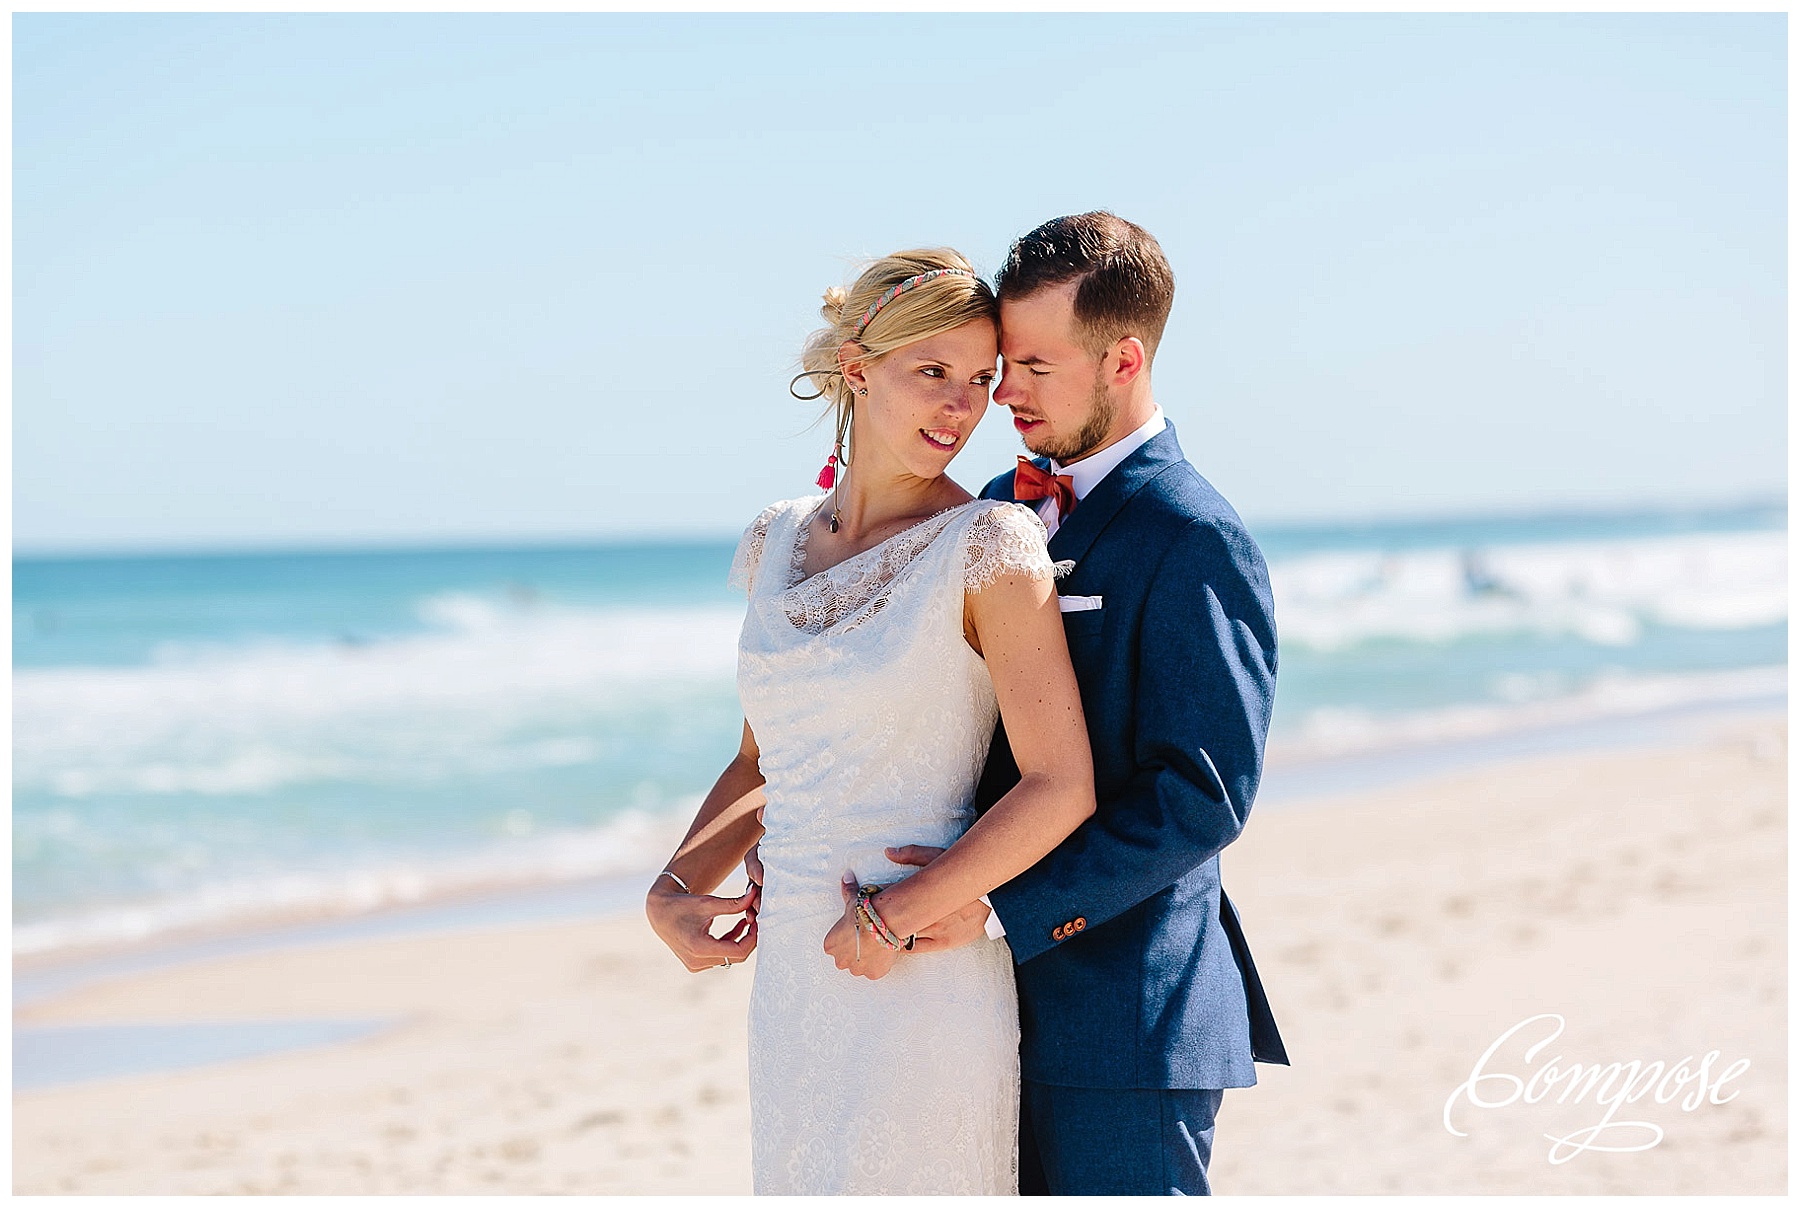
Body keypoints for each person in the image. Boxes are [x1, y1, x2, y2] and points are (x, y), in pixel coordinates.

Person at [644, 248, 1097, 1194]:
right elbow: (762, 756)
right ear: (857, 371)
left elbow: (1062, 783)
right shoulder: (778, 538)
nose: (960, 407)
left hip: (917, 965)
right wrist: (677, 884)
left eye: (980, 381)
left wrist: (896, 919)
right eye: (933, 372)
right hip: (797, 981)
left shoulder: (989, 543)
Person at [889, 213, 1289, 1195]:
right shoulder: (993, 505)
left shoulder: (1193, 533)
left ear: (1123, 358)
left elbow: (1198, 795)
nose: (1005, 393)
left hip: (1124, 1024)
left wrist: (991, 903)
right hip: (976, 1011)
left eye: (1034, 366)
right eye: (1001, 364)